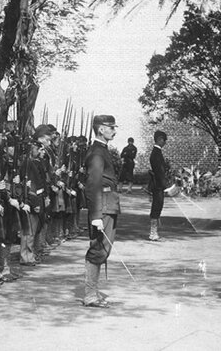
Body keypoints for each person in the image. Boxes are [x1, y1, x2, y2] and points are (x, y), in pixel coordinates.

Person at [82, 114, 120, 308]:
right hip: (103, 208)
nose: (114, 130)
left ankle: (92, 293)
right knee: (98, 249)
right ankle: (90, 295)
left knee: (102, 249)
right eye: (111, 127)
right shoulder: (97, 152)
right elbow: (93, 184)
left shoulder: (102, 150)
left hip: (107, 206)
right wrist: (96, 215)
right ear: (100, 129)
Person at [148, 130, 168, 241]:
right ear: (160, 139)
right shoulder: (156, 153)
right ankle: (153, 232)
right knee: (157, 206)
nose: (165, 143)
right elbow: (160, 171)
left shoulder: (156, 152)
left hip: (158, 183)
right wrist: (164, 185)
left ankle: (154, 232)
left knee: (158, 206)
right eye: (164, 140)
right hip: (158, 184)